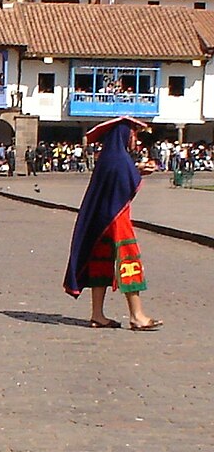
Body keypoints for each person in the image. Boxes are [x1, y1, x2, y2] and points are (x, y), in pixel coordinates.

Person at [64, 116, 162, 331]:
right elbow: (125, 183)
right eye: (133, 133)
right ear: (125, 134)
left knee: (100, 262)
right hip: (117, 219)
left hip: (102, 220)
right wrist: (140, 172)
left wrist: (136, 171)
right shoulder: (120, 158)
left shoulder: (109, 157)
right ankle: (137, 315)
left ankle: (97, 314)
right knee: (129, 261)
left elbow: (118, 180)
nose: (135, 139)